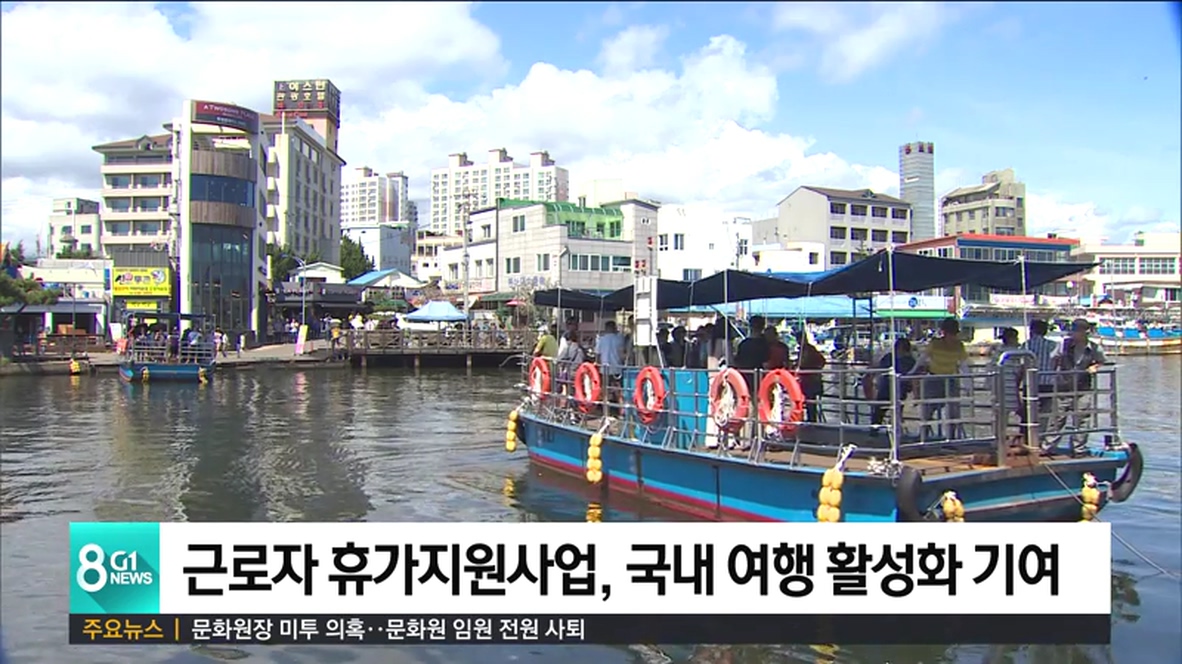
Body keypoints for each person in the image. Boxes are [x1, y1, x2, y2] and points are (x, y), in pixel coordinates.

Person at [1051, 318, 1107, 453]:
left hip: (1083, 387)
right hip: (1064, 386)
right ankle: (1048, 447)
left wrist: (1095, 367)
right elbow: (1053, 358)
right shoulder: (1063, 345)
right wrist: (1056, 375)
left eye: (1076, 331)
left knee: (1082, 419)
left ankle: (1078, 448)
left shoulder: (1094, 348)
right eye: (1073, 331)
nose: (1073, 334)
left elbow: (1102, 361)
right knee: (1058, 418)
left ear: (1085, 332)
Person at [911, 317, 968, 440]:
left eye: (954, 334)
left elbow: (964, 365)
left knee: (953, 411)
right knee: (927, 410)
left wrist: (968, 384)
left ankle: (951, 438)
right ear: (944, 332)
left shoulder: (959, 345)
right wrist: (912, 371)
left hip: (951, 380)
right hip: (934, 378)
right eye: (950, 333)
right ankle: (923, 436)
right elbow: (922, 358)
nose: (952, 337)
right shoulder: (935, 343)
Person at [871, 338, 917, 426]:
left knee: (879, 413)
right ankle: (893, 427)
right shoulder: (910, 360)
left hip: (889, 389)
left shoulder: (890, 357)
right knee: (893, 412)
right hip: (896, 390)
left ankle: (876, 430)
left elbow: (879, 371)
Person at [795, 328, 828, 422]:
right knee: (809, 401)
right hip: (809, 379)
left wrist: (808, 368)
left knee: (810, 400)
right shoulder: (807, 349)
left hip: (810, 380)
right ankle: (810, 419)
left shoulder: (808, 350)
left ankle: (811, 420)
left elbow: (820, 361)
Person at [595, 320, 626, 415]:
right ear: (614, 328)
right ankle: (622, 411)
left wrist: (598, 365)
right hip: (617, 368)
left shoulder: (601, 340)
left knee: (605, 392)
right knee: (618, 391)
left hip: (604, 369)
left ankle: (606, 413)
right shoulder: (619, 339)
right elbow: (623, 353)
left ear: (606, 328)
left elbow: (597, 355)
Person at [555, 330, 585, 401]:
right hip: (577, 372)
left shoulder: (567, 348)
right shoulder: (580, 349)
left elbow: (559, 359)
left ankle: (569, 404)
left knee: (569, 390)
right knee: (576, 390)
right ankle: (574, 403)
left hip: (569, 372)